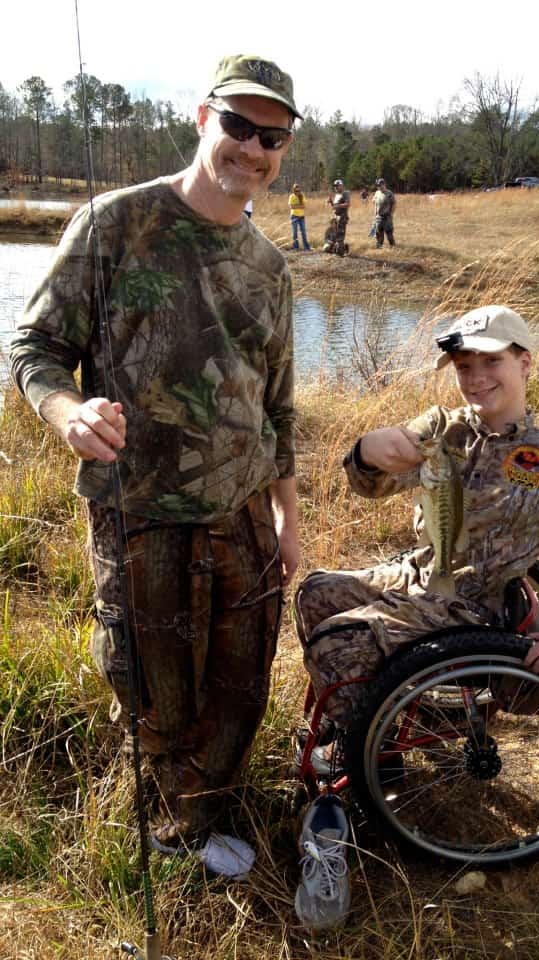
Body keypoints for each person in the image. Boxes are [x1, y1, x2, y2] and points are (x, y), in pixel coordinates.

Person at [9, 54, 302, 879]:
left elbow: (278, 404)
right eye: (239, 125)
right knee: (155, 688)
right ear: (203, 117)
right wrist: (69, 414)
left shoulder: (272, 270)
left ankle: (207, 809)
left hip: (243, 513)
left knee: (241, 683)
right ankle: (171, 836)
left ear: (283, 150)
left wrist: (288, 515)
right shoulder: (113, 223)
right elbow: (35, 346)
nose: (252, 148)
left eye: (271, 136)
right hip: (141, 515)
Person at [292, 305, 539, 923]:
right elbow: (369, 484)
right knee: (314, 594)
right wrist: (367, 453)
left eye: (491, 362)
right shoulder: (443, 430)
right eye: (463, 365)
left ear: (524, 362)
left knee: (334, 644)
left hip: (474, 608)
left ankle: (360, 761)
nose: (476, 378)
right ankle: (385, 745)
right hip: (419, 574)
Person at [324, 178, 350, 255]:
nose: (336, 187)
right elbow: (334, 207)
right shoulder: (337, 195)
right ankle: (342, 249)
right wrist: (331, 202)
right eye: (335, 186)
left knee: (340, 236)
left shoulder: (345, 193)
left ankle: (340, 253)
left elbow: (347, 204)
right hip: (336, 217)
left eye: (337, 186)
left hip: (342, 217)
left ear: (341, 186)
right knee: (336, 235)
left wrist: (337, 205)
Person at [372, 177, 396, 248]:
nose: (379, 187)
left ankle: (392, 246)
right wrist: (375, 212)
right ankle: (379, 246)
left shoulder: (389, 193)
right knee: (379, 232)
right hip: (378, 217)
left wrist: (391, 213)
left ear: (384, 184)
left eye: (380, 185)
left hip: (387, 217)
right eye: (378, 185)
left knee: (389, 232)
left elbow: (394, 203)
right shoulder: (377, 192)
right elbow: (373, 201)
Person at [288, 182, 311, 250]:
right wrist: (299, 206)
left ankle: (306, 247)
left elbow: (303, 206)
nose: (297, 192)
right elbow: (291, 207)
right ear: (293, 190)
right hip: (294, 216)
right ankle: (296, 247)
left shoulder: (302, 196)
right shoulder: (291, 196)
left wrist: (296, 206)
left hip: (301, 217)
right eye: (296, 191)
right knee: (294, 233)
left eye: (299, 191)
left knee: (303, 232)